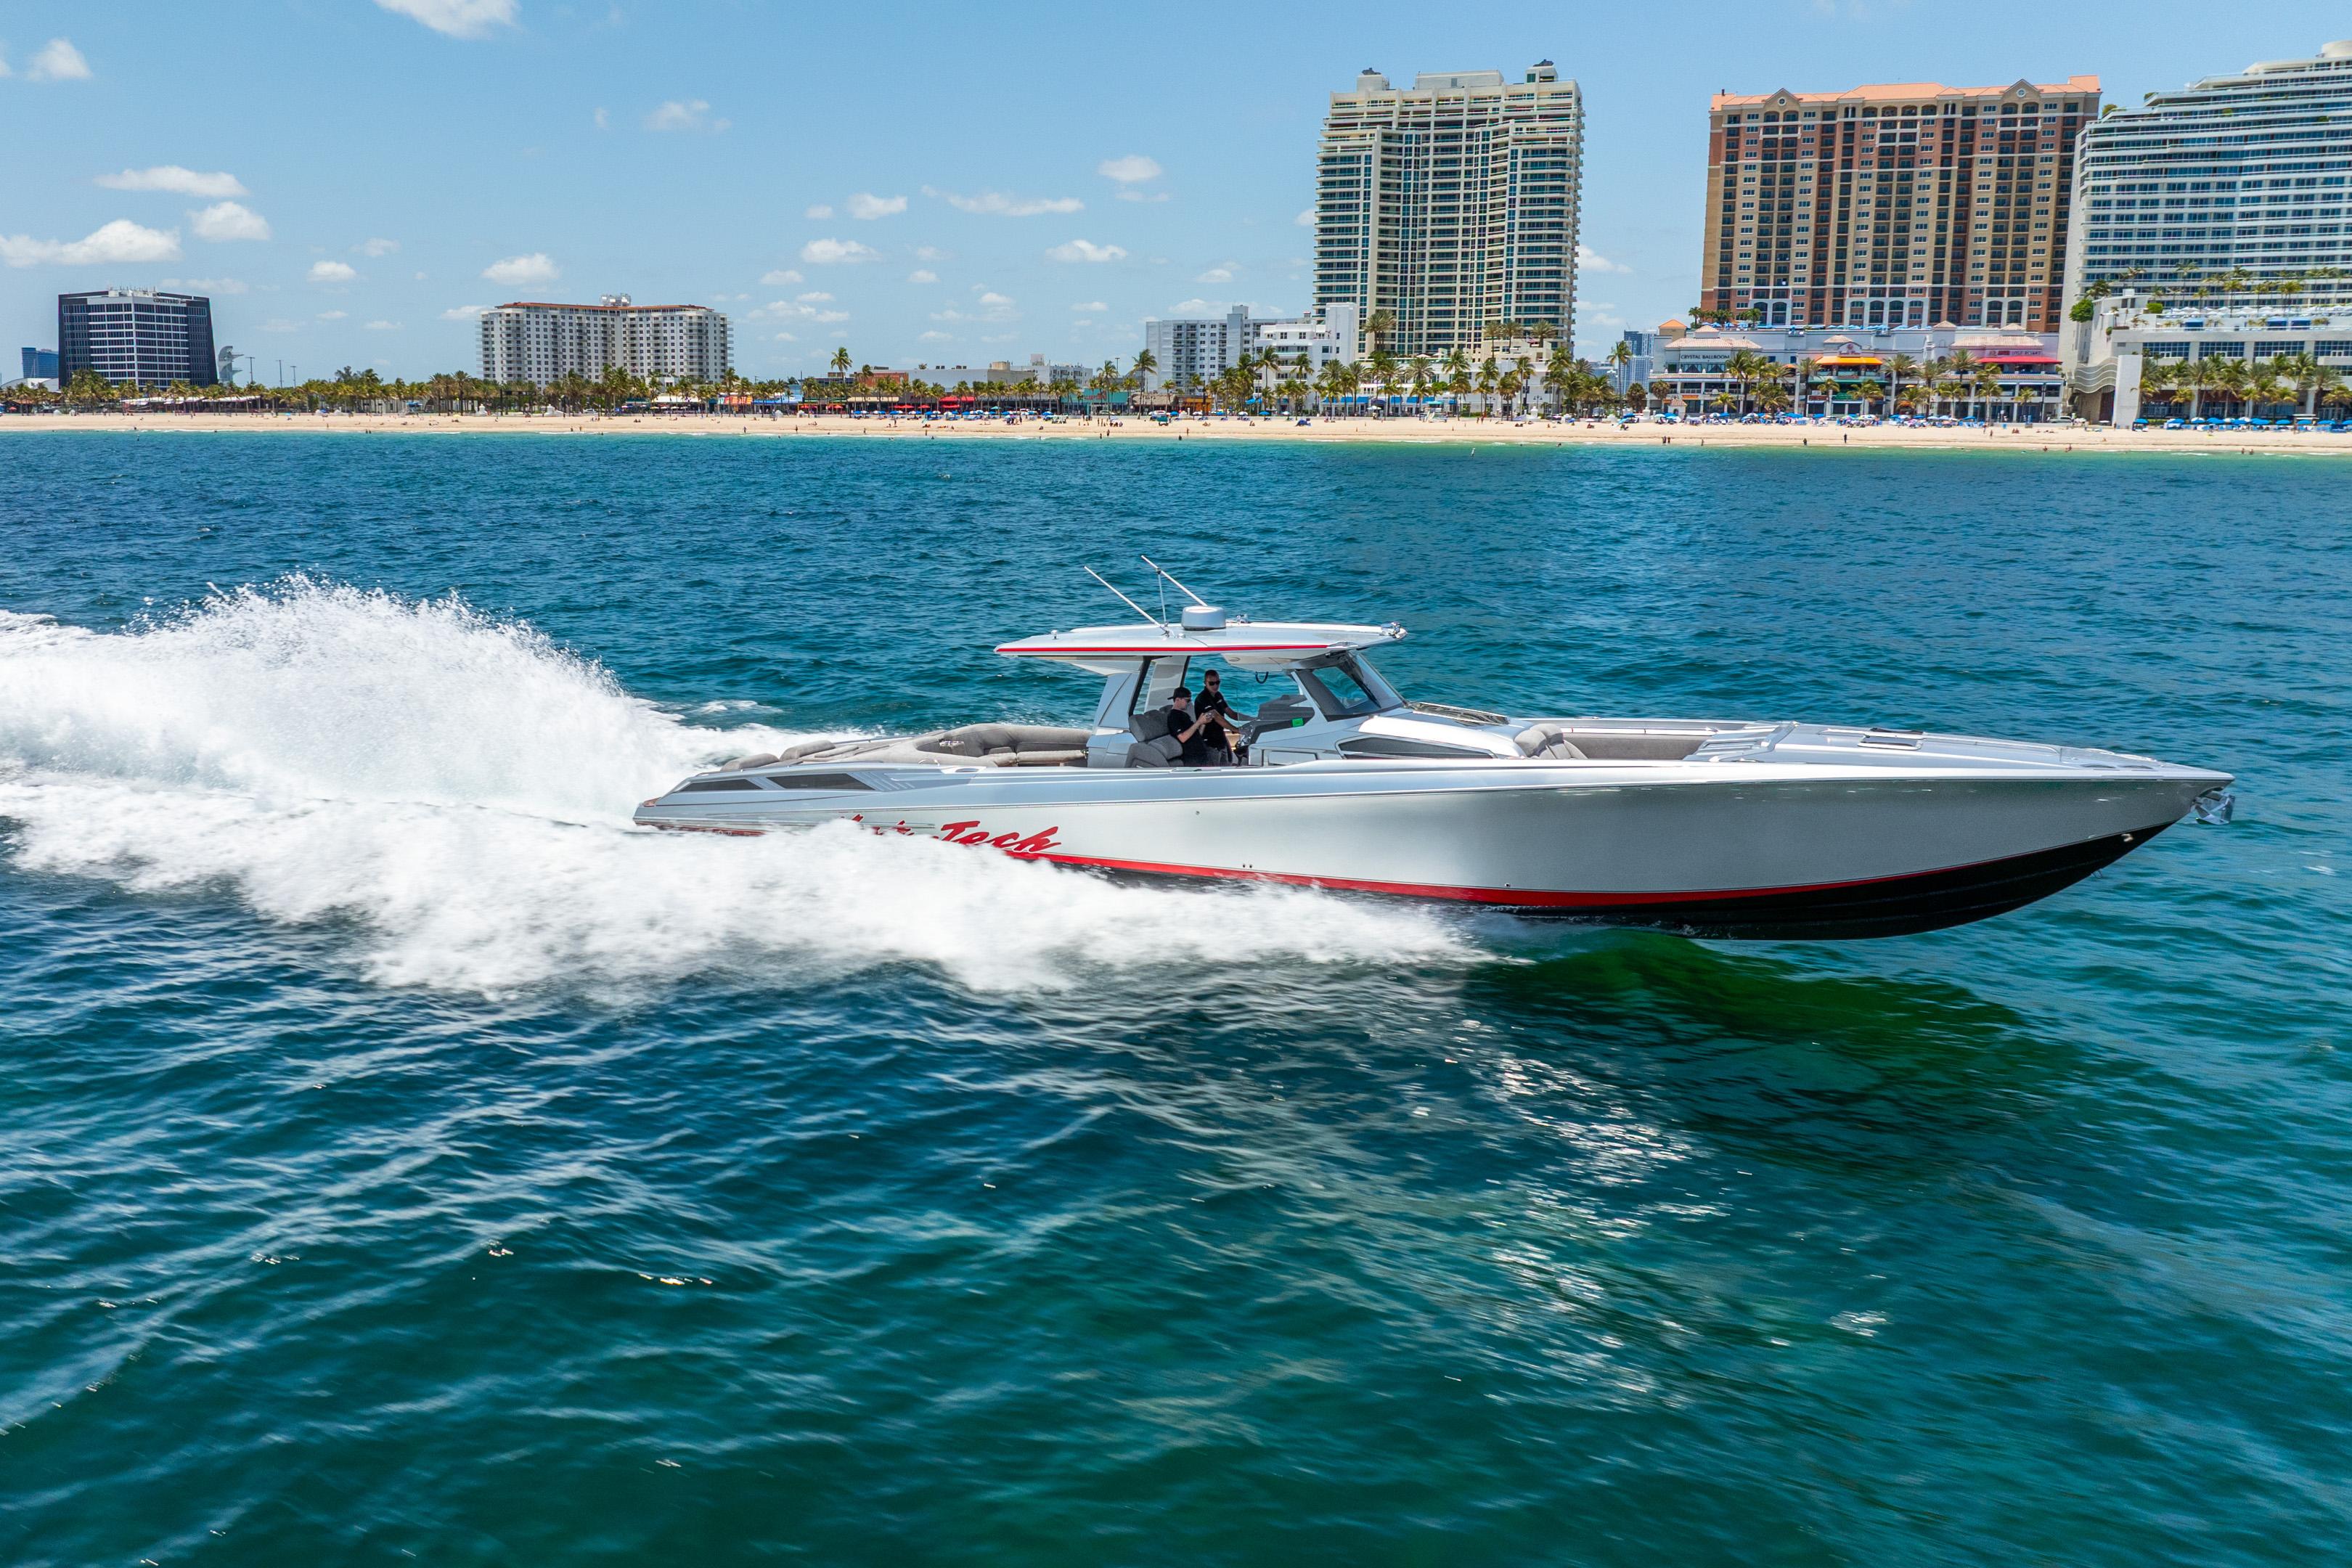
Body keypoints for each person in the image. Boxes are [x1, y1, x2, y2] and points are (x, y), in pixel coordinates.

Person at [1164, 687, 1236, 767]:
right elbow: (1183, 737)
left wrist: (1203, 723)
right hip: (1193, 757)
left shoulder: (1184, 715)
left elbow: (1197, 734)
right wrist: (1198, 722)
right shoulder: (1173, 716)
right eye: (1187, 700)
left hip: (1202, 753)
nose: (1189, 703)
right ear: (1178, 700)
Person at [1193, 668, 1247, 764]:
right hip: (1209, 742)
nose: (1215, 686)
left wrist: (1252, 718)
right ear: (1205, 683)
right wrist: (1236, 730)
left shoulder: (1218, 695)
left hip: (1221, 739)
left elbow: (1231, 713)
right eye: (1212, 683)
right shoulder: (1202, 698)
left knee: (1226, 766)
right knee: (1214, 769)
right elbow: (1216, 717)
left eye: (1217, 682)